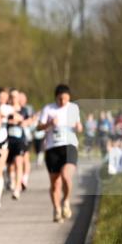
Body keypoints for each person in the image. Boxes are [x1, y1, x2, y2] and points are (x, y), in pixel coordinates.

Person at [37, 84, 82, 223]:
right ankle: (57, 210)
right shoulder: (48, 109)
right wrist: (49, 123)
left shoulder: (73, 108)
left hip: (69, 146)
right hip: (52, 148)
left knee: (66, 176)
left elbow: (79, 126)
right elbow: (38, 127)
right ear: (56, 97)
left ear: (69, 98)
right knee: (55, 183)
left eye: (65, 99)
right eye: (60, 99)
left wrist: (79, 127)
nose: (63, 101)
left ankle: (66, 201)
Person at [6, 90, 29, 200]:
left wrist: (21, 120)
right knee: (9, 165)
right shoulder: (5, 109)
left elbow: (27, 121)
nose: (13, 98)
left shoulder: (23, 110)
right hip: (7, 140)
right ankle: (11, 180)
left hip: (19, 140)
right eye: (11, 96)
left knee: (18, 163)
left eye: (15, 96)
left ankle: (17, 188)